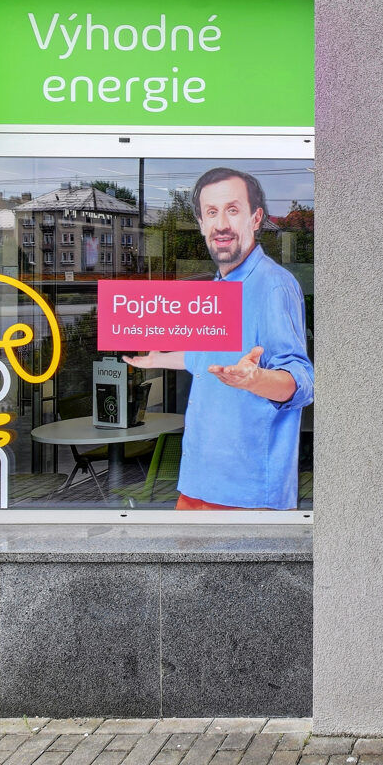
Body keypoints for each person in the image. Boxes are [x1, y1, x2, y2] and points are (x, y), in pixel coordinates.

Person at [123, 167, 314, 509]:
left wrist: (255, 380)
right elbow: (207, 359)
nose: (221, 223)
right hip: (197, 480)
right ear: (201, 223)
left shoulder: (274, 285)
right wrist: (157, 360)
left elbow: (302, 382)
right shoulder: (219, 287)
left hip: (246, 494)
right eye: (211, 212)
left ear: (256, 218)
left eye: (232, 209)